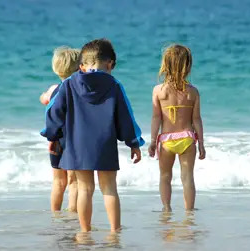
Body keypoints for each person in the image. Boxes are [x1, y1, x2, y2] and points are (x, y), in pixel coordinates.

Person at [43, 38, 144, 232]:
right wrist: (134, 142)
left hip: (77, 145)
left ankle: (84, 231)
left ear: (81, 65)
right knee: (109, 188)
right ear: (110, 64)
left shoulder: (69, 84)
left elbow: (54, 113)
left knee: (85, 189)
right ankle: (114, 231)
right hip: (105, 144)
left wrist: (52, 136)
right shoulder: (114, 85)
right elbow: (125, 116)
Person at [148, 44, 206, 212]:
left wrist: (153, 141)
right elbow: (196, 119)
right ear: (187, 66)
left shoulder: (159, 91)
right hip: (187, 138)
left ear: (165, 65)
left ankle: (166, 208)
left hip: (167, 140)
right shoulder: (193, 92)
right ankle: (189, 210)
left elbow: (156, 117)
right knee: (187, 177)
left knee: (165, 176)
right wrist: (201, 143)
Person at [40, 46, 80, 212]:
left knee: (58, 180)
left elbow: (44, 98)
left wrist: (45, 97)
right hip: (74, 139)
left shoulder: (53, 89)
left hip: (55, 138)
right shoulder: (79, 90)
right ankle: (72, 213)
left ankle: (55, 213)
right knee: (74, 180)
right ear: (79, 67)